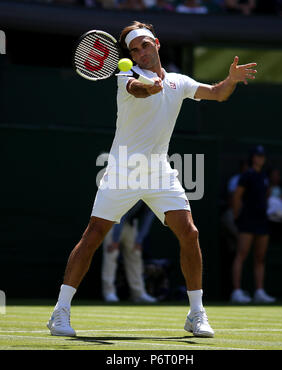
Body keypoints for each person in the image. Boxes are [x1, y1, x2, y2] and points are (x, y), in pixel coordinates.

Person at [47, 20, 257, 338]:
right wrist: (149, 87)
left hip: (159, 171)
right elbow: (138, 90)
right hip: (122, 169)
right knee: (93, 236)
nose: (140, 53)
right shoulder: (126, 76)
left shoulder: (178, 82)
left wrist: (231, 79)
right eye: (134, 49)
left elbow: (217, 94)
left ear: (156, 43)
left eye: (144, 45)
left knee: (190, 233)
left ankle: (196, 314)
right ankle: (60, 311)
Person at [231, 145, 276, 303]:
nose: (260, 159)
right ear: (252, 158)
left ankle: (259, 291)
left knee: (260, 257)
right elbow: (236, 197)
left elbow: (266, 195)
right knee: (241, 254)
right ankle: (236, 292)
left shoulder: (264, 176)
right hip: (248, 220)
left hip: (262, 220)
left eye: (262, 156)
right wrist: (237, 217)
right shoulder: (247, 175)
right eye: (257, 156)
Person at [101, 200, 157, 303]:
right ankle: (109, 292)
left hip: (130, 224)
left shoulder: (154, 199)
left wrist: (139, 240)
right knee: (111, 255)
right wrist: (115, 240)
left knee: (135, 255)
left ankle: (138, 294)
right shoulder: (134, 193)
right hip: (113, 221)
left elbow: (147, 220)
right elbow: (121, 214)